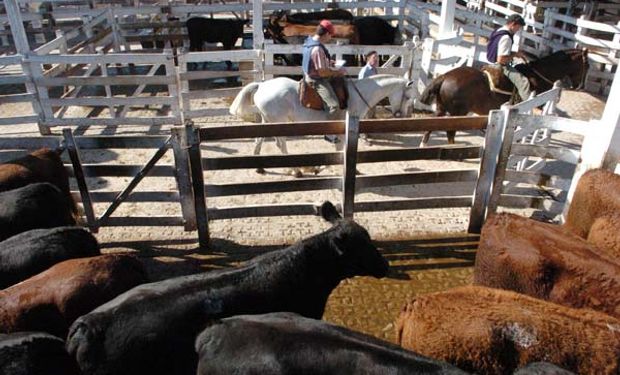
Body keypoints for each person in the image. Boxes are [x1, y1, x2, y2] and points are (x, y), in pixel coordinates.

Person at [302, 19, 346, 120]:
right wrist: (337, 72)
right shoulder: (317, 49)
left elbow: (313, 61)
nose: (330, 38)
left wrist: (329, 63)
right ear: (326, 33)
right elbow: (322, 72)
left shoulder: (309, 42)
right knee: (334, 106)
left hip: (308, 75)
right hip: (316, 80)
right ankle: (328, 133)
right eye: (330, 35)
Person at [486, 14, 532, 102]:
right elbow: (501, 60)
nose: (517, 30)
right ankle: (527, 105)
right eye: (518, 27)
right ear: (513, 24)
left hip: (489, 61)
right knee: (524, 82)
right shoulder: (506, 37)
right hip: (499, 66)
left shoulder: (498, 30)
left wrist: (515, 53)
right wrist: (514, 55)